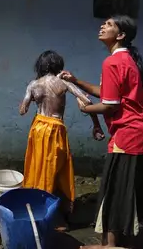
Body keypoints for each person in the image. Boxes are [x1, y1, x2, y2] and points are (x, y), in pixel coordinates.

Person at [60, 15, 143, 249]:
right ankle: (122, 237)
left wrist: (86, 108)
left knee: (114, 189)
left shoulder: (111, 63)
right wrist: (76, 81)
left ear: (121, 35)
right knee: (129, 188)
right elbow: (107, 92)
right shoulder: (126, 59)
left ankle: (109, 245)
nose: (102, 26)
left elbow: (111, 105)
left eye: (109, 25)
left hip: (131, 135)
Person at [19, 50, 105, 217]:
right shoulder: (64, 84)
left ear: (40, 66)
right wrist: (96, 126)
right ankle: (56, 210)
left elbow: (23, 110)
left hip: (38, 129)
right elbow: (87, 101)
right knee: (58, 168)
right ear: (58, 66)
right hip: (55, 130)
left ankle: (37, 205)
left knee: (37, 165)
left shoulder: (33, 84)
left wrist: (30, 101)